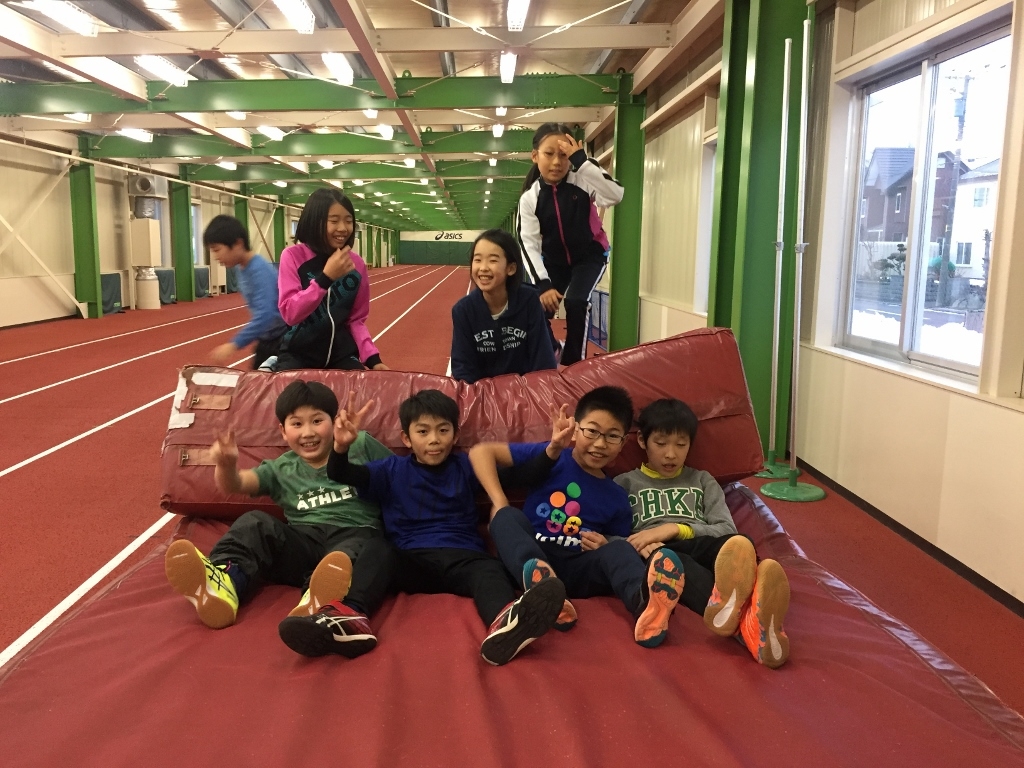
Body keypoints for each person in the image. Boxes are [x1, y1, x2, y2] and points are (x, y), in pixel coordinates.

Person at [326, 389, 566, 666]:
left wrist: (553, 449)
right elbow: (342, 473)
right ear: (406, 438)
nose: (434, 439)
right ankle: (351, 616)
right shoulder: (390, 470)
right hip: (411, 561)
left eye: (443, 430)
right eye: (423, 431)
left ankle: (506, 624)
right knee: (376, 548)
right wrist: (340, 447)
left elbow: (523, 476)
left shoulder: (466, 466)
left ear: (455, 435)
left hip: (464, 559)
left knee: (490, 569)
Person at [164, 380, 394, 659]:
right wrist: (226, 465)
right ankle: (225, 583)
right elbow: (236, 484)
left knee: (357, 549)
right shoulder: (281, 468)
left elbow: (399, 476)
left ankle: (318, 598)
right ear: (283, 431)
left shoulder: (360, 444)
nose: (308, 432)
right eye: (297, 424)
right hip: (302, 543)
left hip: (353, 534)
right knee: (255, 521)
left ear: (334, 422)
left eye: (317, 421)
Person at [470, 386, 687, 649]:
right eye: (592, 431)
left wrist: (606, 543)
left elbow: (617, 544)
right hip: (531, 555)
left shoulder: (617, 496)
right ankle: (545, 591)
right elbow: (481, 452)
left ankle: (646, 607)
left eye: (612, 436)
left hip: (577, 565)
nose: (600, 444)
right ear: (575, 429)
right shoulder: (552, 455)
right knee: (506, 516)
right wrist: (500, 502)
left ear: (622, 443)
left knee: (620, 548)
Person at [614, 398, 791, 669]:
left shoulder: (702, 480)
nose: (671, 454)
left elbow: (726, 529)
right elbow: (606, 537)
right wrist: (635, 545)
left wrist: (675, 528)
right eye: (660, 444)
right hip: (664, 555)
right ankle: (753, 623)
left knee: (740, 542)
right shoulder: (624, 484)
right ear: (641, 441)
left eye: (681, 445)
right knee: (674, 564)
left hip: (703, 543)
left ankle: (746, 607)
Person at [517, 123, 624, 367]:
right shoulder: (530, 198)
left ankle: (575, 365)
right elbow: (528, 244)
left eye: (564, 155)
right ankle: (553, 349)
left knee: (576, 301)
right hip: (555, 261)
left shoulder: (583, 179)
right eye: (549, 154)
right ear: (535, 156)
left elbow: (615, 195)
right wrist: (543, 284)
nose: (556, 162)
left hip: (590, 256)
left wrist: (583, 162)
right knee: (534, 306)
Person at [275, 188, 389, 371]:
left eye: (348, 221)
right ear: (315, 221)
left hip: (342, 356)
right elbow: (290, 314)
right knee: (290, 389)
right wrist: (325, 279)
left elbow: (356, 320)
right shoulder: (292, 256)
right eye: (334, 221)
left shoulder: (356, 265)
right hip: (298, 355)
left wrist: (373, 359)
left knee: (362, 387)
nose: (343, 228)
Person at [450, 229, 557, 383]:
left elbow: (543, 361)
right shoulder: (463, 311)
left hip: (525, 390)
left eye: (493, 260)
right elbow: (463, 368)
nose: (483, 267)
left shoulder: (529, 301)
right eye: (477, 260)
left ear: (511, 268)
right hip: (484, 393)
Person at [202, 214, 287, 369]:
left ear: (238, 244)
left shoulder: (259, 270)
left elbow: (266, 314)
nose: (215, 257)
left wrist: (234, 344)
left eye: (217, 250)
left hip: (282, 341)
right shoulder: (241, 268)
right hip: (267, 338)